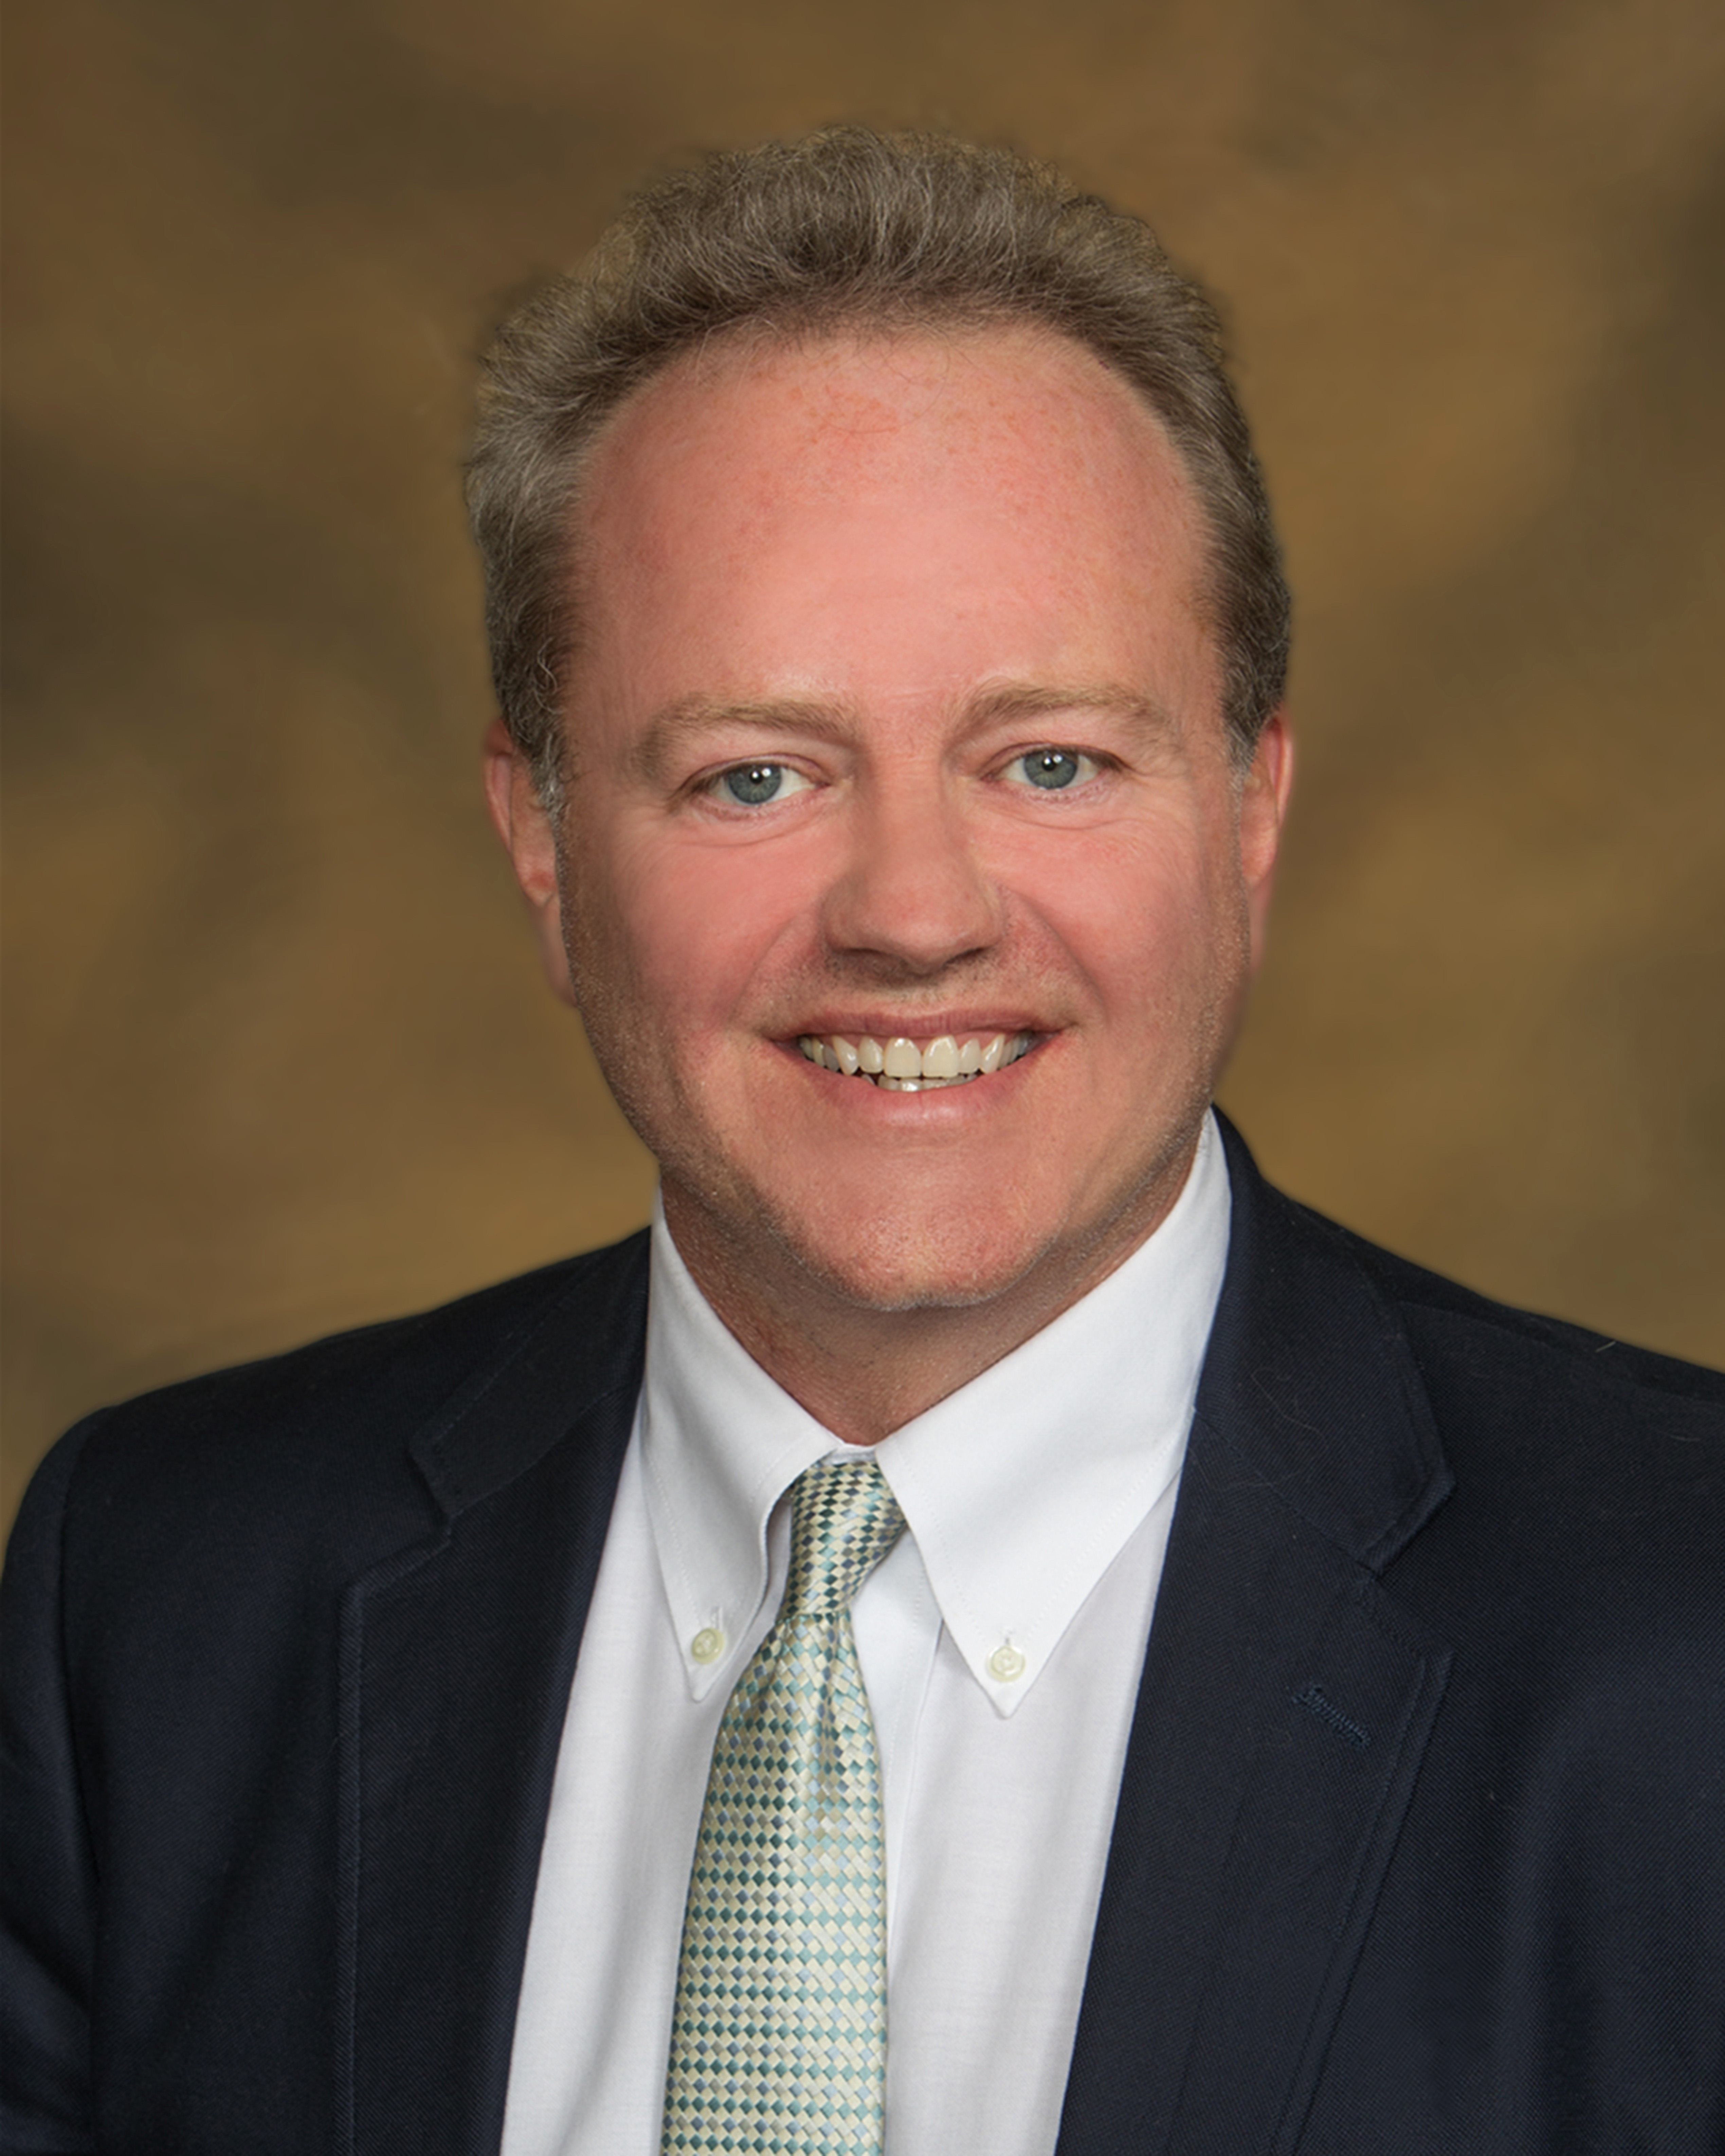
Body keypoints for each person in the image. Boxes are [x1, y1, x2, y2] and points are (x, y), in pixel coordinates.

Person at [3, 130, 1720, 2156]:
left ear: (1250, 806)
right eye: (755, 777)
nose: (914, 914)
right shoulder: (166, 1597)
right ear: (541, 837)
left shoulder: (1681, 1638)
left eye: (1050, 761)